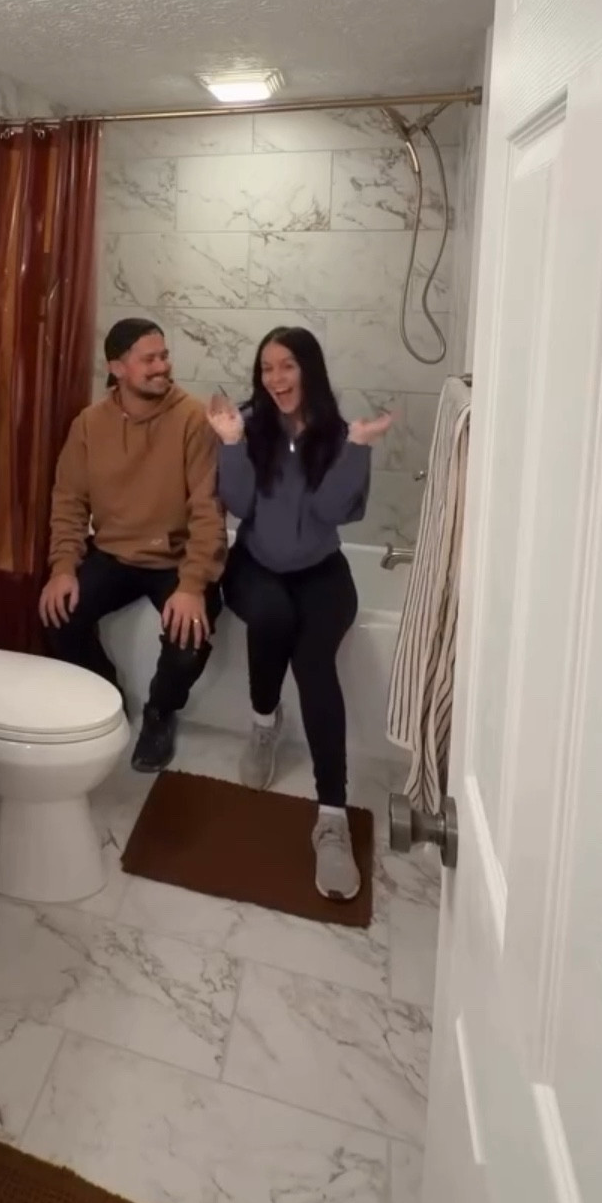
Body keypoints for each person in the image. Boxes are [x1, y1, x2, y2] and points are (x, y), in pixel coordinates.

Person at [207, 326, 392, 901]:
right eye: (267, 369)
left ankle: (331, 818)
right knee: (270, 617)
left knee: (315, 665)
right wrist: (232, 445)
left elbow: (334, 511)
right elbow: (238, 506)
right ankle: (266, 723)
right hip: (257, 564)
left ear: (308, 370)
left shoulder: (338, 433)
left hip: (321, 570)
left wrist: (357, 449)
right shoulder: (244, 424)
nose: (276, 380)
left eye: (287, 367)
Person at [39, 316, 225, 773]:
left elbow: (210, 510)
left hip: (176, 559)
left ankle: (160, 712)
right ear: (118, 368)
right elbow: (68, 500)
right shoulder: (89, 425)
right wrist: (63, 567)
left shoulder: (191, 419)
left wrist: (193, 585)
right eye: (150, 359)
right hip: (115, 552)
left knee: (190, 637)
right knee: (57, 616)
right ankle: (108, 694)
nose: (163, 366)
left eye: (164, 355)